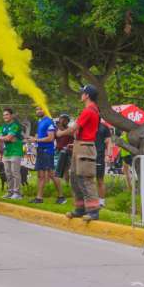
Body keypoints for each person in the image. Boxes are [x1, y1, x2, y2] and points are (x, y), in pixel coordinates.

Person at [58, 85, 101, 221]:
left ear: (87, 95)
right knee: (75, 178)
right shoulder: (90, 110)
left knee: (85, 179)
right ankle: (80, 209)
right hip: (80, 145)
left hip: (85, 147)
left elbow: (73, 129)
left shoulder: (89, 110)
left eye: (82, 92)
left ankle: (93, 211)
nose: (80, 95)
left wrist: (60, 133)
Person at [27, 107, 65, 204]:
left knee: (51, 174)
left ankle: (61, 197)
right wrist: (32, 139)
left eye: (40, 109)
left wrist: (36, 140)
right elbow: (40, 137)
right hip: (40, 151)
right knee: (40, 176)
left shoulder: (48, 122)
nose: (38, 111)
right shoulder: (40, 122)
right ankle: (39, 198)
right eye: (36, 109)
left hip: (47, 151)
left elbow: (51, 138)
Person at [0, 108, 24, 199]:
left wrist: (5, 138)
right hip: (6, 152)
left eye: (7, 114)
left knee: (15, 173)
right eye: (4, 115)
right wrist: (6, 138)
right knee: (8, 173)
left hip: (16, 151)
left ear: (11, 115)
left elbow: (8, 138)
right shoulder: (3, 126)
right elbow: (0, 138)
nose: (5, 116)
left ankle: (17, 193)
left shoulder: (15, 125)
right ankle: (10, 191)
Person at [94, 122, 111, 207]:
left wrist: (108, 155)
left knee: (100, 180)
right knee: (87, 180)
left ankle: (101, 202)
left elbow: (108, 142)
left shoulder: (104, 127)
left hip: (99, 156)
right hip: (87, 155)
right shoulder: (87, 125)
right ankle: (90, 201)